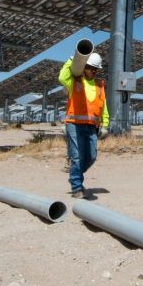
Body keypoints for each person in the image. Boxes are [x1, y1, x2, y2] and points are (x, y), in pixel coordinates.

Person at [59, 48, 108, 199]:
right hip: (74, 124)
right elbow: (62, 77)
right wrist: (72, 60)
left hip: (91, 126)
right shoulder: (74, 82)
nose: (93, 71)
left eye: (95, 69)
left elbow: (103, 105)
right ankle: (76, 187)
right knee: (77, 156)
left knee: (91, 156)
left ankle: (76, 173)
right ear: (84, 67)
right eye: (90, 68)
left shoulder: (99, 85)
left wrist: (105, 124)